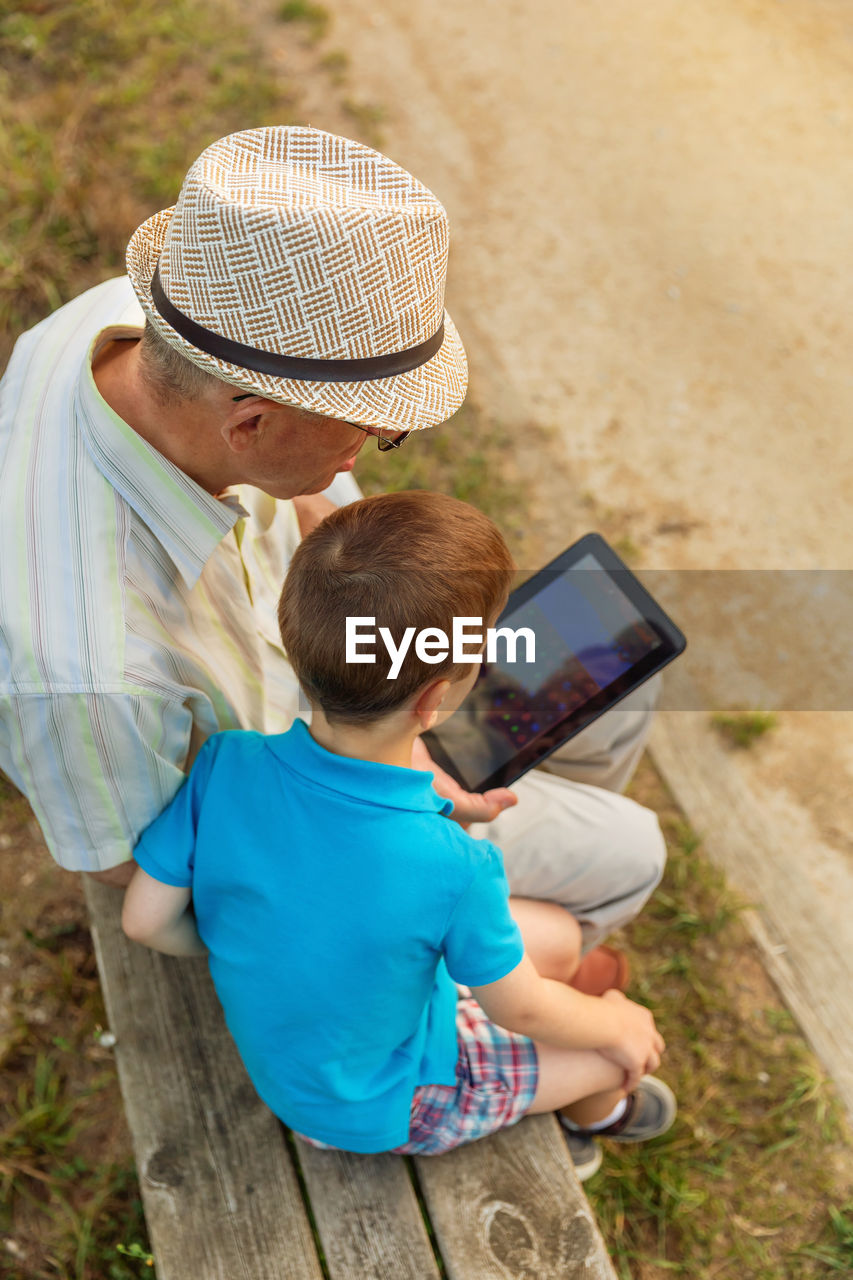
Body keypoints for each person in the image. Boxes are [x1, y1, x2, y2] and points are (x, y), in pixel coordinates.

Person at [0, 123, 663, 961]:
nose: (372, 450)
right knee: (631, 851)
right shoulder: (87, 671)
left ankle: (503, 900)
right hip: (317, 812)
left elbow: (318, 500)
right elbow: (133, 871)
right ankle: (493, 938)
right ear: (250, 422)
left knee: (608, 667)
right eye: (368, 432)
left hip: (348, 675)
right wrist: (391, 795)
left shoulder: (161, 315)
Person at [121, 490, 675, 1178]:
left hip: (309, 1057)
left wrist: (252, 945)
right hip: (382, 1101)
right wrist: (620, 1025)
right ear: (434, 699)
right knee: (609, 1050)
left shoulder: (225, 762)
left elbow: (144, 922)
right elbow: (524, 1007)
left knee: (557, 940)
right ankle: (594, 1116)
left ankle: (570, 1079)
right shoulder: (453, 866)